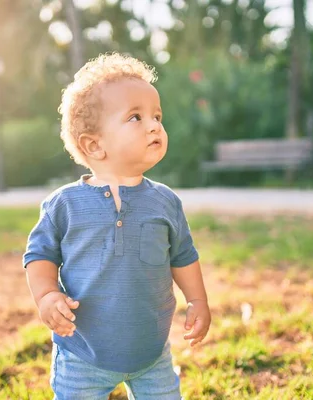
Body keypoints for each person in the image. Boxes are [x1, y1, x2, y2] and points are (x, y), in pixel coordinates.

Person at [23, 53, 211, 400]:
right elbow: (39, 255)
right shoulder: (64, 204)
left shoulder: (165, 201)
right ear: (94, 144)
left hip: (151, 353)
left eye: (157, 116)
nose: (154, 125)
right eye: (135, 117)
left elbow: (183, 256)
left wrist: (197, 300)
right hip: (83, 355)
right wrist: (47, 294)